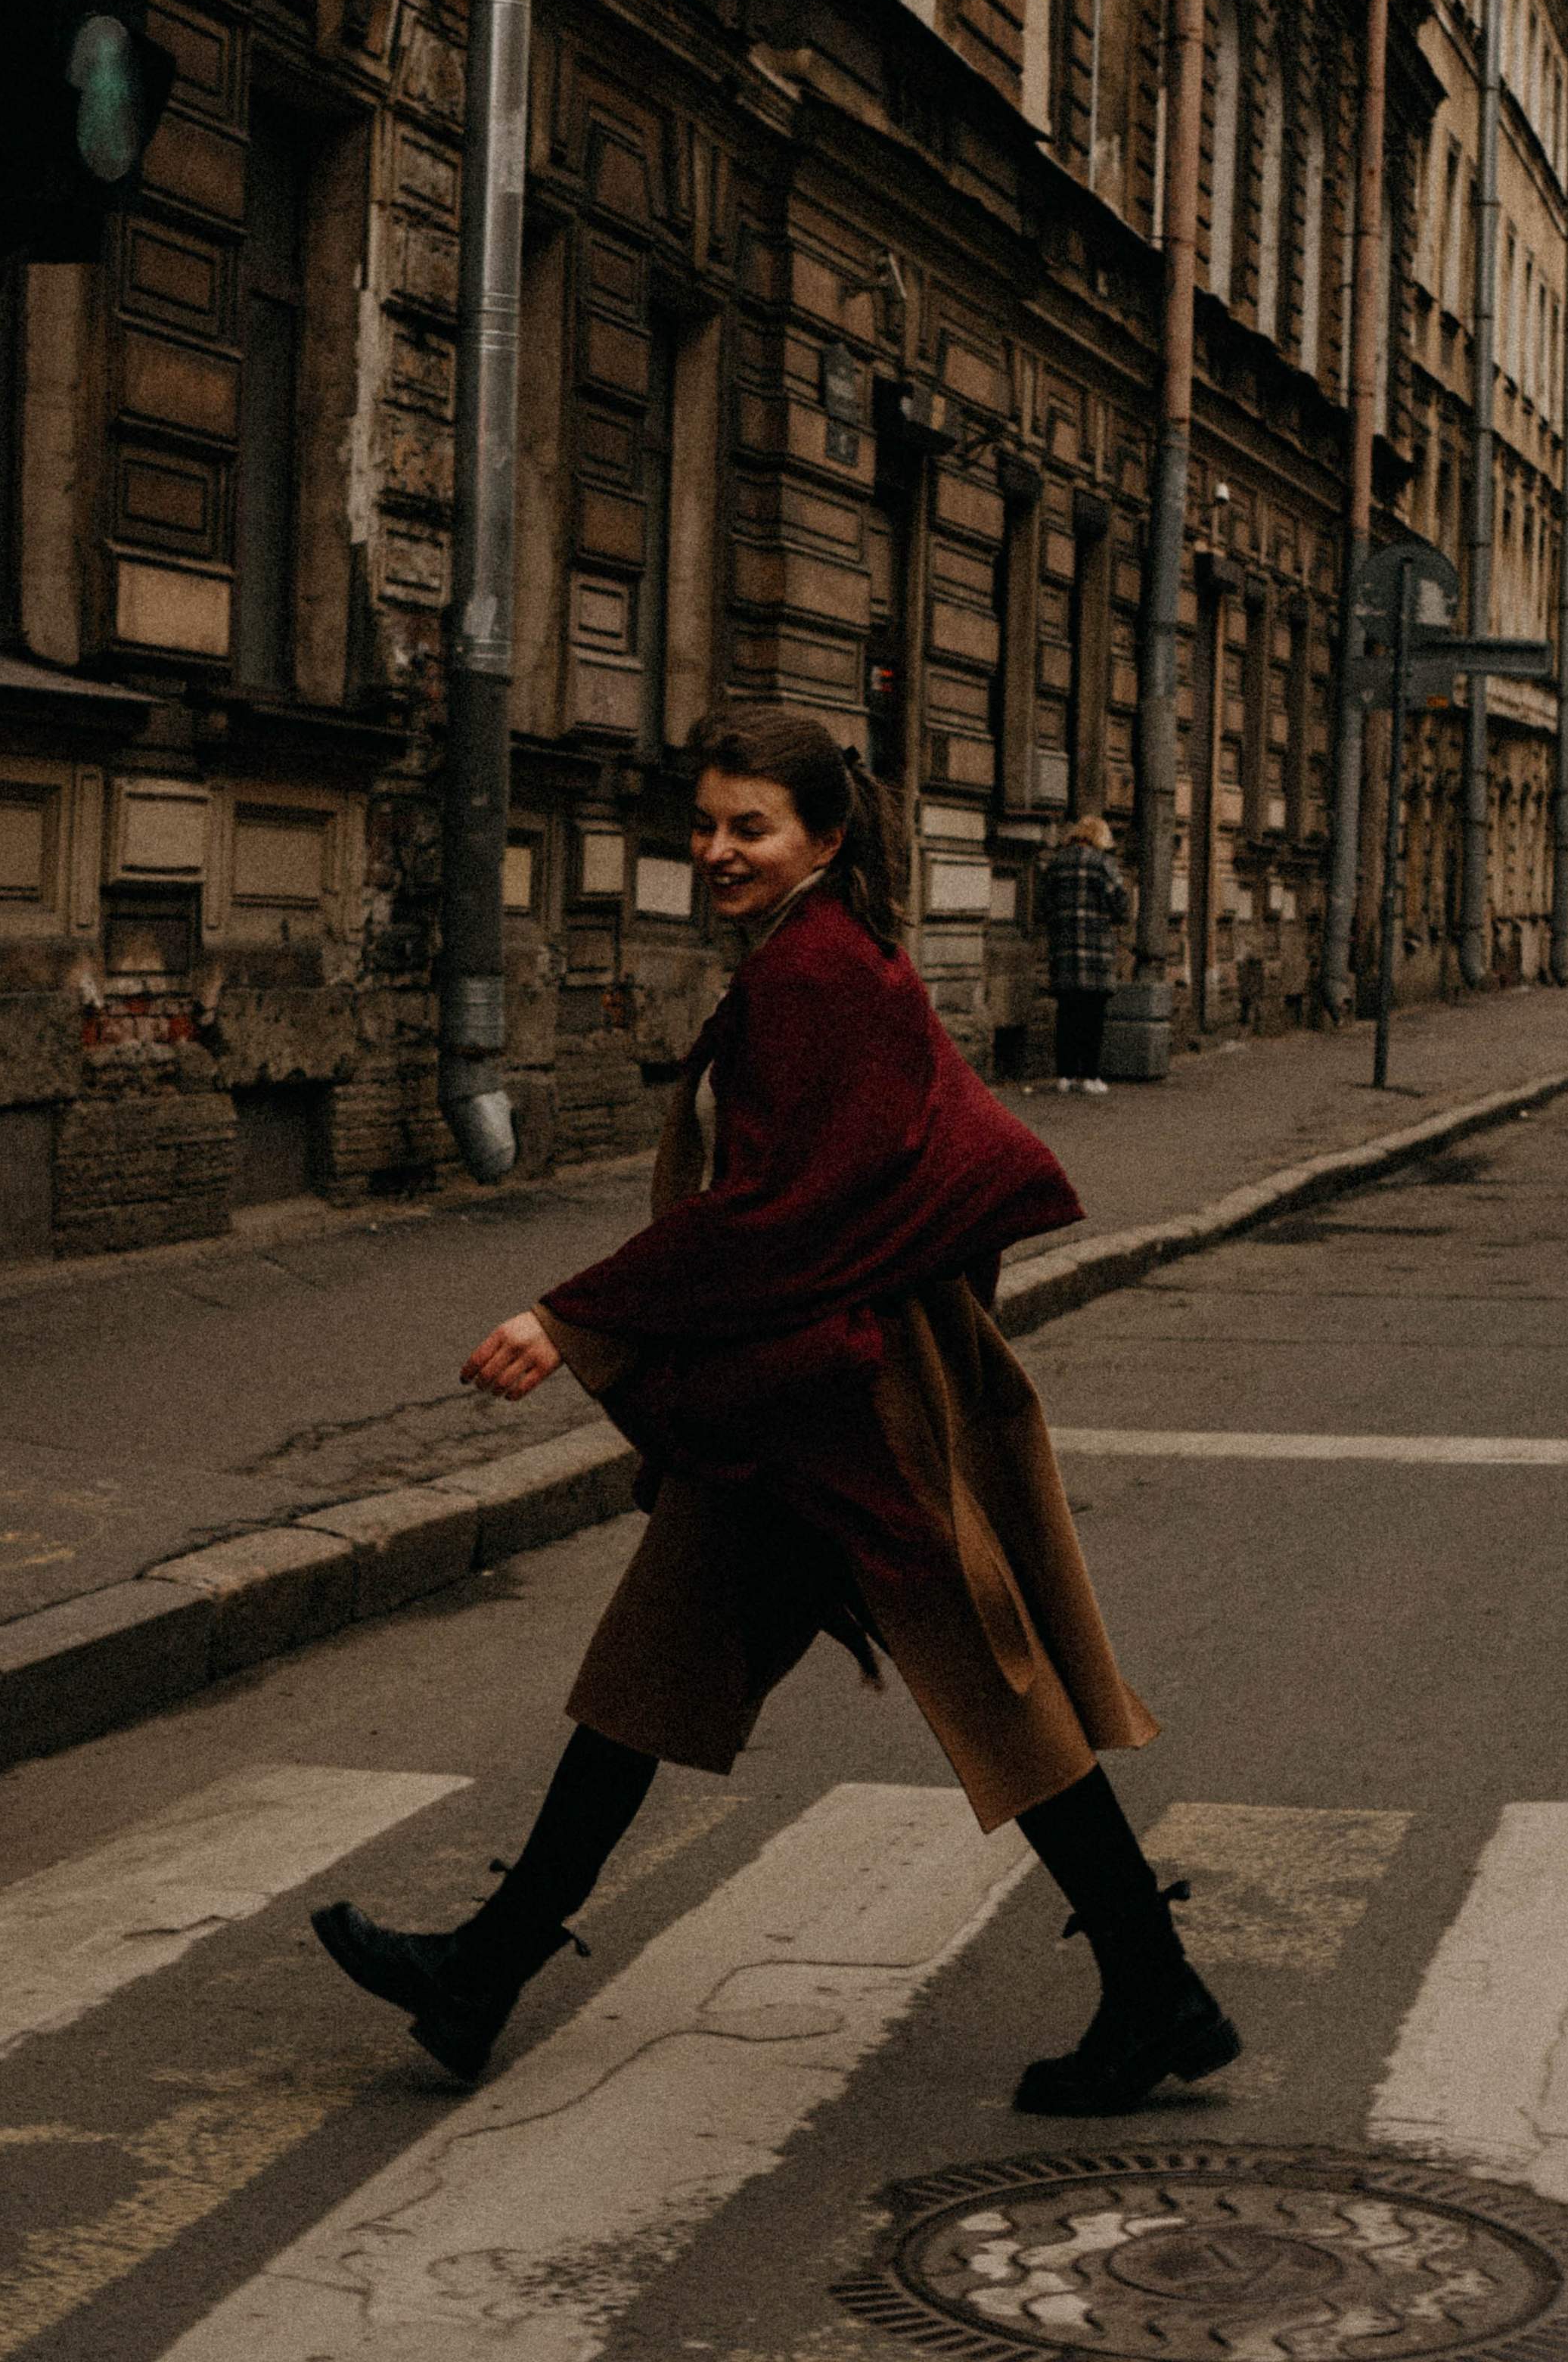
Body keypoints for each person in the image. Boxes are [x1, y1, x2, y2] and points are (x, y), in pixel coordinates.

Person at [312, 708, 1237, 2118]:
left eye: (751, 826)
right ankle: (485, 1967)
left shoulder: (817, 972)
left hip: (842, 1405)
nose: (718, 850)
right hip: (804, 1391)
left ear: (824, 835)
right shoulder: (829, 955)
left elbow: (781, 1213)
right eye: (707, 824)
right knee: (651, 1669)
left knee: (997, 1685)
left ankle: (1155, 1984)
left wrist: (572, 1319)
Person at [1040, 814, 1129, 1092]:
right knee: (1093, 1016)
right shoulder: (1104, 865)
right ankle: (1090, 1076)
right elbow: (1121, 905)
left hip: (1064, 950)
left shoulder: (1056, 863)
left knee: (1067, 1013)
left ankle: (1064, 1076)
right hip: (1096, 953)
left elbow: (1044, 904)